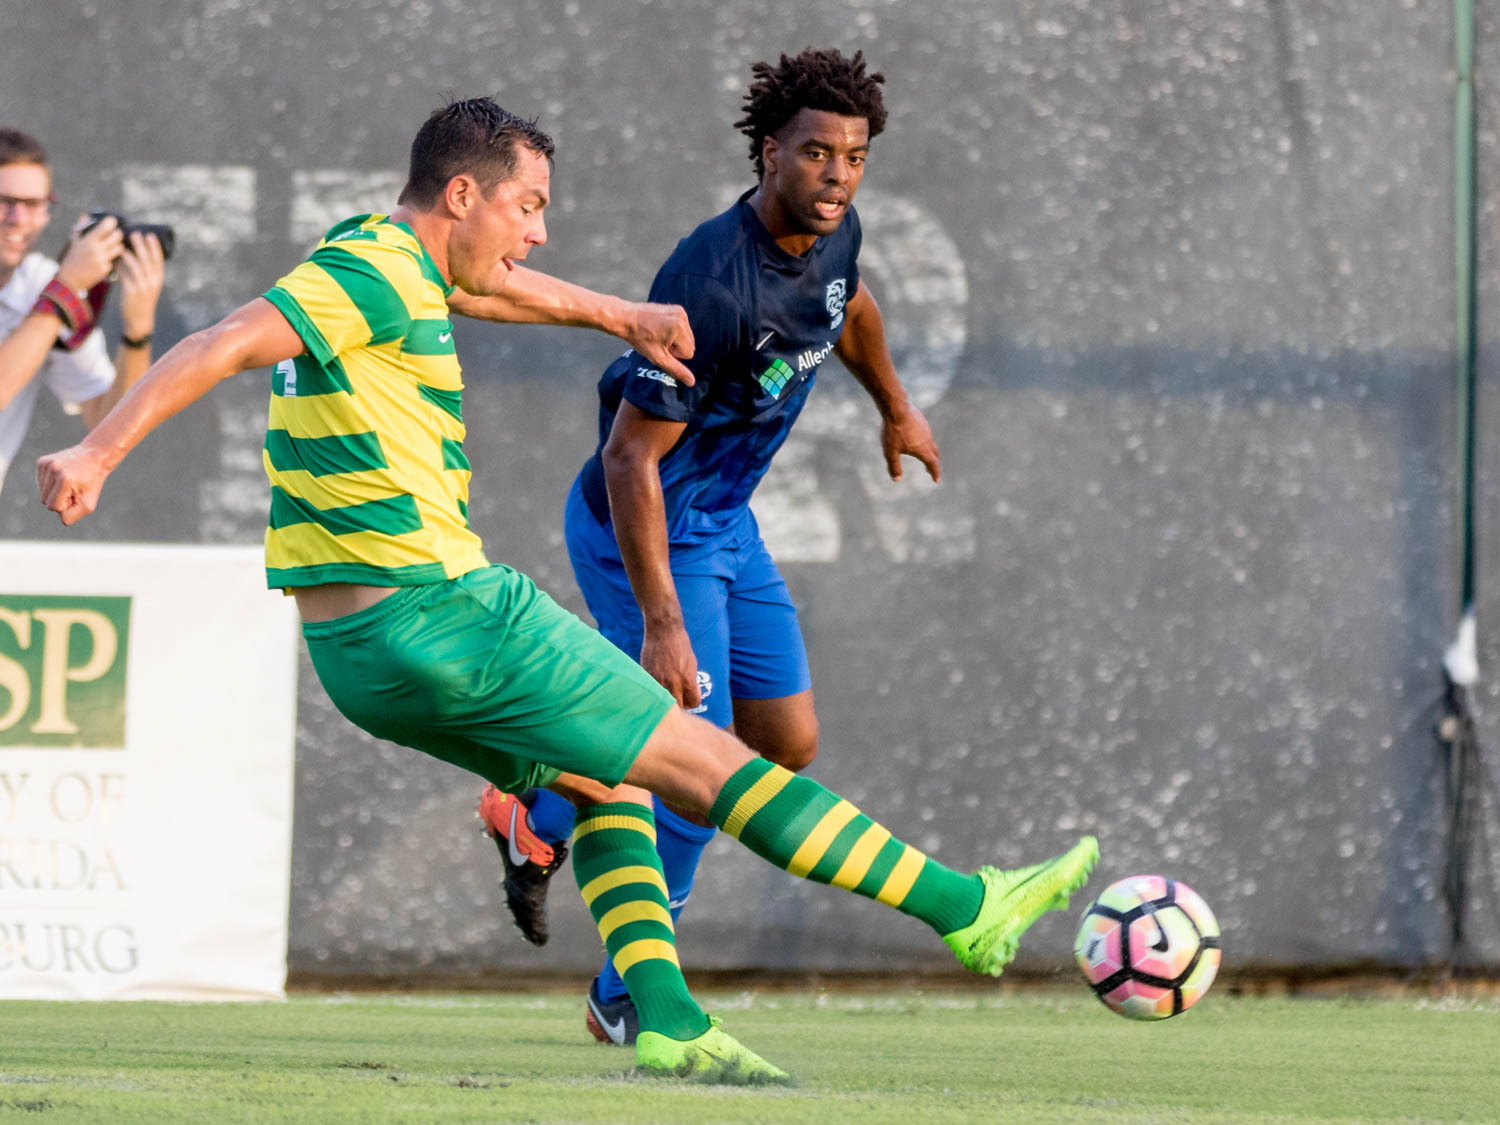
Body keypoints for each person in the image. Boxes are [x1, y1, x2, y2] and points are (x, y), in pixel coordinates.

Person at [38, 96, 1098, 1085]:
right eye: (527, 205)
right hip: (446, 610)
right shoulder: (364, 270)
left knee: (604, 782)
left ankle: (666, 1017)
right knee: (705, 758)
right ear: (463, 196)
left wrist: (616, 316)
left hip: (358, 662)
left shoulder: (404, 267)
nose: (537, 232)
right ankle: (968, 907)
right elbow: (224, 340)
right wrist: (97, 452)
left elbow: (484, 286)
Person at [474, 47, 940, 1046]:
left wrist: (896, 409)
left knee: (788, 746)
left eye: (854, 157)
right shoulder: (713, 283)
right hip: (640, 525)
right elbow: (631, 460)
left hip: (725, 521)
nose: (837, 176)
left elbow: (848, 307)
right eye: (816, 154)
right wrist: (662, 625)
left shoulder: (836, 230)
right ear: (769, 152)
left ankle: (540, 816)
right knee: (703, 766)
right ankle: (627, 989)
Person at [0, 128, 166, 494]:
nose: (17, 219)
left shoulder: (42, 283)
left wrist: (137, 329)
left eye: (33, 204)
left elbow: (106, 425)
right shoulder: (55, 290)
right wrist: (64, 291)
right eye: (5, 200)